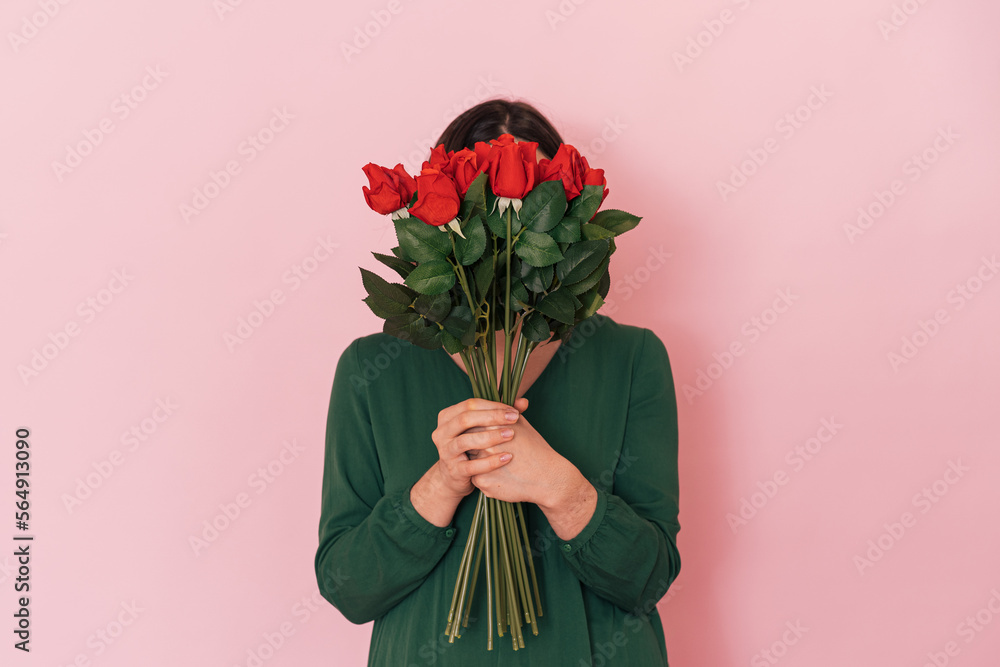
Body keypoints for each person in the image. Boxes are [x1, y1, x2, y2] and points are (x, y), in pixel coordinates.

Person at [315, 99, 681, 666]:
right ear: (442, 218)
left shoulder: (631, 358)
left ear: (566, 221)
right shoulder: (372, 369)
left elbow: (649, 579)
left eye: (532, 208)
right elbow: (348, 586)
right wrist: (443, 482)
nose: (506, 237)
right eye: (484, 210)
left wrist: (561, 487)